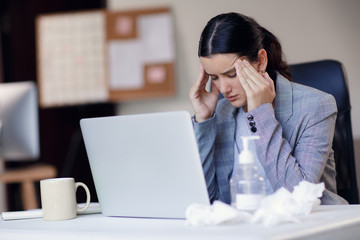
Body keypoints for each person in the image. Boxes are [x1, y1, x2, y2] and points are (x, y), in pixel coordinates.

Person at [189, 12, 347, 205]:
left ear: (261, 60)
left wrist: (261, 113)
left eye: (231, 74)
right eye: (214, 77)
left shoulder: (316, 106)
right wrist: (204, 120)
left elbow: (298, 196)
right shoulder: (219, 114)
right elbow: (203, 201)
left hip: (306, 228)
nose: (223, 88)